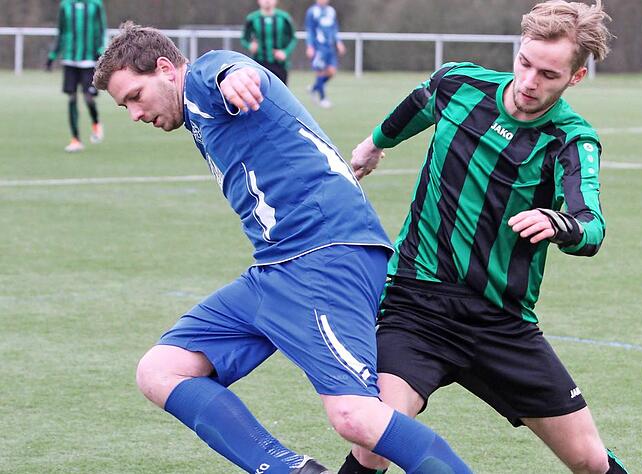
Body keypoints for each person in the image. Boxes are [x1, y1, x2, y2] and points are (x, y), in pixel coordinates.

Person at [93, 22, 473, 474]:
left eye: (135, 97)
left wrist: (235, 77)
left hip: (325, 255)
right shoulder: (195, 113)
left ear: (164, 69)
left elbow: (226, 70)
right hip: (276, 268)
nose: (135, 114)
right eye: (125, 106)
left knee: (355, 417)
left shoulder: (203, 79)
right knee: (159, 370)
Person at [340, 1, 627, 473]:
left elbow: (591, 226)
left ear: (575, 78)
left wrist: (560, 224)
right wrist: (375, 144)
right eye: (525, 63)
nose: (529, 81)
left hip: (501, 323)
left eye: (549, 75)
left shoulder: (570, 140)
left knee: (590, 462)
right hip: (418, 305)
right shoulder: (460, 85)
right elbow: (419, 104)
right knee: (374, 442)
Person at [46, 0, 107, 153]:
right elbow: (61, 31)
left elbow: (101, 30)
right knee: (72, 98)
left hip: (89, 60)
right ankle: (75, 139)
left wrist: (102, 52)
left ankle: (96, 122)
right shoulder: (66, 5)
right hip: (69, 59)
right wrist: (53, 55)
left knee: (88, 98)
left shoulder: (95, 4)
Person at [241, 0, 297, 86]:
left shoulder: (284, 18)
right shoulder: (252, 18)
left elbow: (293, 39)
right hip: (259, 64)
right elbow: (244, 39)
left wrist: (285, 52)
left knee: (280, 92)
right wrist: (250, 46)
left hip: (280, 65)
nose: (267, 1)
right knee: (260, 92)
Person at [304, 0, 346, 108]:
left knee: (331, 72)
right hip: (319, 48)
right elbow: (310, 30)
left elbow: (334, 29)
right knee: (320, 72)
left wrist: (339, 42)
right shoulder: (312, 11)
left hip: (330, 47)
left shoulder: (331, 11)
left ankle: (314, 88)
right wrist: (310, 46)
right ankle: (323, 99)